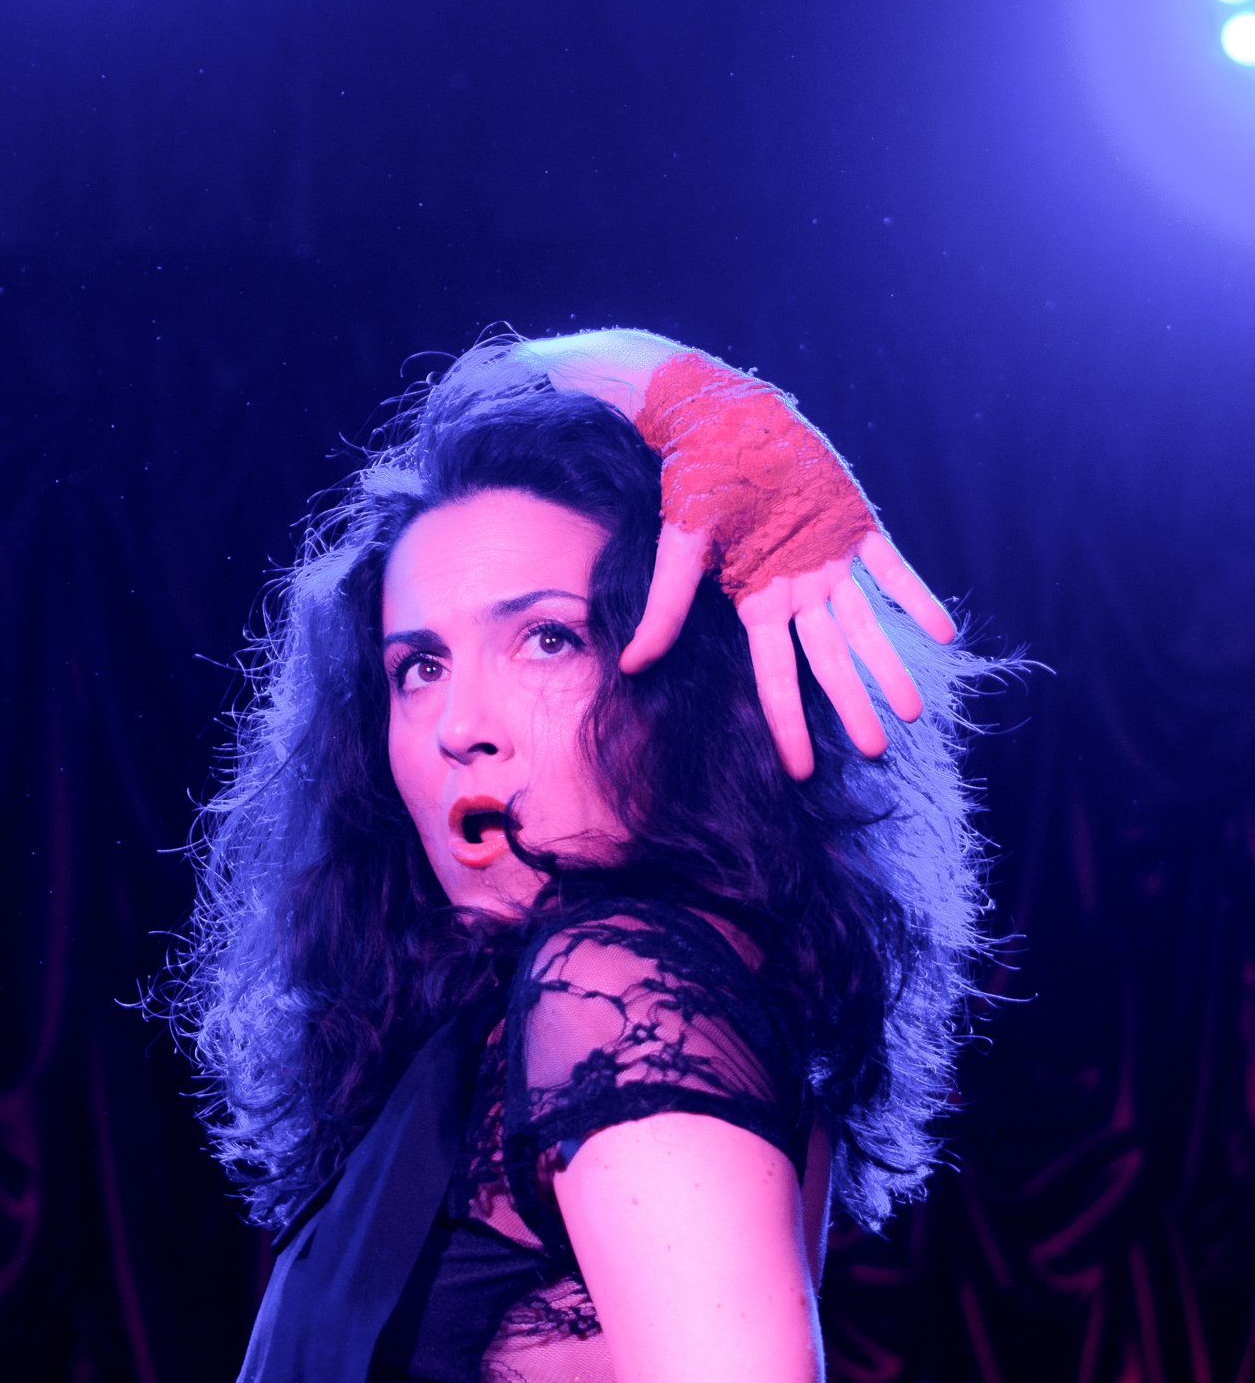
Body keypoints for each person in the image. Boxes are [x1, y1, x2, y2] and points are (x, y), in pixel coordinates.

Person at [168, 329, 1000, 1382]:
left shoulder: (614, 982)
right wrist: (686, 394)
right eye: (419, 666)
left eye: (548, 639)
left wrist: (706, 402)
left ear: (683, 695)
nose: (460, 727)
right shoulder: (540, 1021)